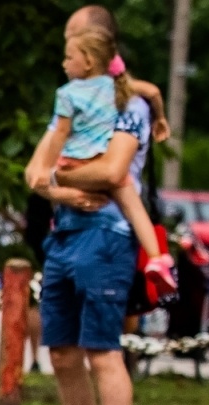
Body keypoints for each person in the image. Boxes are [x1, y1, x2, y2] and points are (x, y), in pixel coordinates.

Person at [21, 6, 159, 405]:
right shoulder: (73, 102)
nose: (64, 54)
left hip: (107, 236)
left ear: (94, 46)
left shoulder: (130, 104)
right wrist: (62, 188)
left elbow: (113, 172)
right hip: (64, 235)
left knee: (103, 350)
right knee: (61, 352)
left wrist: (60, 176)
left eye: (70, 41)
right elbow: (34, 174)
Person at [49, 29, 173, 292]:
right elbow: (152, 91)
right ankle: (158, 258)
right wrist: (160, 119)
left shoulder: (72, 93)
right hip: (98, 164)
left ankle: (157, 259)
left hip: (74, 160)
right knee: (131, 202)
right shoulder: (122, 92)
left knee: (111, 184)